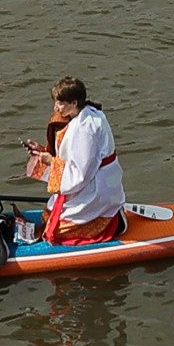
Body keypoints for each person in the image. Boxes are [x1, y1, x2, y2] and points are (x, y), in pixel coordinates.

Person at [24, 77, 125, 245]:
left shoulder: (85, 130)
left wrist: (50, 161)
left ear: (73, 102)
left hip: (96, 188)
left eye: (60, 103)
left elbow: (79, 174)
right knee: (47, 216)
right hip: (96, 179)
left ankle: (115, 222)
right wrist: (43, 151)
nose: (55, 108)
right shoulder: (86, 113)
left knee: (54, 232)